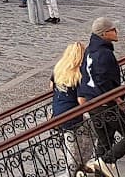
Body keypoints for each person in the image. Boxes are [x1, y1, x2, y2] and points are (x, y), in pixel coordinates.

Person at [79, 17, 125, 172]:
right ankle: (103, 162)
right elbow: (103, 80)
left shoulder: (90, 51)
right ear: (104, 33)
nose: (116, 32)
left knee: (105, 141)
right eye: (113, 30)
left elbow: (85, 75)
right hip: (107, 104)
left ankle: (98, 170)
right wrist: (118, 99)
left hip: (94, 104)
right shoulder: (104, 54)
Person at [51, 40, 94, 177]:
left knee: (74, 143)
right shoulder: (79, 74)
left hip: (58, 113)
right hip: (72, 115)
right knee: (79, 142)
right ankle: (74, 170)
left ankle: (79, 166)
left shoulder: (59, 68)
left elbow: (51, 86)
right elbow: (81, 100)